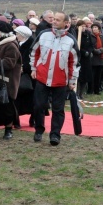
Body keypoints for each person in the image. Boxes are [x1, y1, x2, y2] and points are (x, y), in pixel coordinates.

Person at [30, 11, 79, 145]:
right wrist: (34, 68)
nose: (54, 21)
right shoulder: (43, 34)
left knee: (58, 109)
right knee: (39, 106)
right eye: (54, 19)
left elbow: (74, 63)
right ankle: (39, 130)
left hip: (61, 80)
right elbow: (34, 52)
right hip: (42, 77)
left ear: (65, 23)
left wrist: (72, 81)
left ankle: (55, 135)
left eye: (58, 20)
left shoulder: (71, 40)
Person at [13, 25, 35, 127]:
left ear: (22, 35)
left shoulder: (32, 45)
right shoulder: (17, 43)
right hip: (18, 76)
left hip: (29, 77)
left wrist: (24, 67)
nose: (16, 35)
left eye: (17, 33)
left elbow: (33, 59)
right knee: (16, 100)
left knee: (32, 100)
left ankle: (33, 119)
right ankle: (16, 120)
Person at [90, 22, 103, 95]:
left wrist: (101, 50)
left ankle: (97, 90)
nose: (94, 29)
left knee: (99, 76)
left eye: (96, 27)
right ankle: (91, 90)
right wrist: (95, 51)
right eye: (93, 27)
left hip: (101, 58)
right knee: (92, 75)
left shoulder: (102, 36)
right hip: (93, 58)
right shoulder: (90, 36)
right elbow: (90, 46)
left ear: (99, 29)